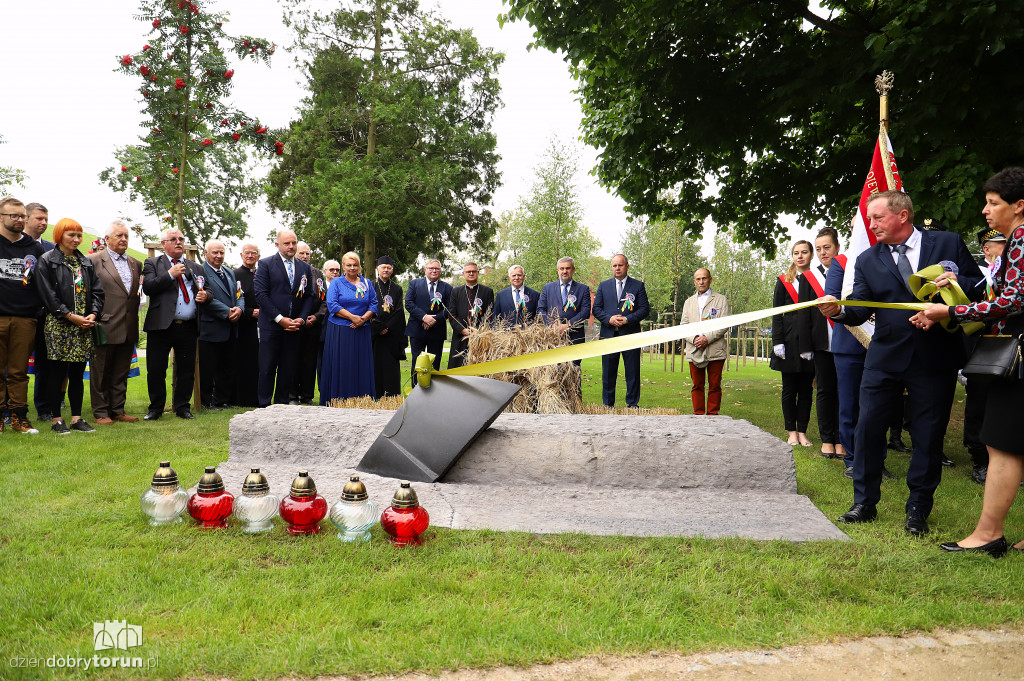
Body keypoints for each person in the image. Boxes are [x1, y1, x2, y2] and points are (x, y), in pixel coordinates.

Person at [819, 189, 983, 535]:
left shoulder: (948, 244)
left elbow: (977, 286)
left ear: (903, 216)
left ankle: (917, 510)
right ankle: (864, 502)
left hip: (934, 356)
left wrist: (953, 287)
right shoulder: (867, 260)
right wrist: (840, 311)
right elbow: (860, 308)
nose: (872, 224)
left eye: (878, 217)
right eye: (870, 218)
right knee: (868, 429)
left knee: (928, 434)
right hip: (885, 357)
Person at [910, 168, 1024, 556]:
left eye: (994, 203)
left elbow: (1013, 301)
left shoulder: (1021, 238)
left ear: (1019, 206)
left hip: (1018, 356)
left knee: (1002, 443)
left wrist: (953, 311)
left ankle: (988, 534)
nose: (985, 211)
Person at [35, 218, 104, 434]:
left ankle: (76, 419)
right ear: (59, 235)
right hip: (59, 324)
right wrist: (69, 315)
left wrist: (93, 313)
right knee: (56, 373)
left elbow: (98, 292)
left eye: (79, 235)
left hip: (83, 325)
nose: (76, 239)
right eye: (71, 235)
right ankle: (56, 419)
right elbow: (48, 295)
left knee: (77, 373)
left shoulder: (86, 262)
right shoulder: (47, 260)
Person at [141, 227, 209, 420]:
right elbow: (148, 288)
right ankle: (156, 408)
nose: (179, 242)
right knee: (156, 369)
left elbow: (208, 290)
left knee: (186, 369)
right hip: (161, 326)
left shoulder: (195, 267)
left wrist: (205, 296)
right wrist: (170, 274)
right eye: (173, 239)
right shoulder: (153, 263)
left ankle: (182, 407)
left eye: (181, 239)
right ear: (164, 244)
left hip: (187, 326)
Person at [960, 227, 1008, 484]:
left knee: (1006, 402)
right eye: (1002, 244)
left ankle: (1006, 457)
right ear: (987, 248)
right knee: (979, 402)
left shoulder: (1013, 272)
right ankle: (980, 459)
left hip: (1009, 346)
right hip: (981, 346)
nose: (1009, 247)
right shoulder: (975, 276)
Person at [88, 220, 142, 424]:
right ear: (107, 238)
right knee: (100, 372)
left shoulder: (136, 263)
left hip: (128, 325)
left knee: (121, 371)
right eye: (119, 235)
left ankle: (118, 409)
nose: (124, 239)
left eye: (126, 235)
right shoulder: (93, 261)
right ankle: (101, 412)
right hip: (104, 324)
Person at [797, 228, 845, 459]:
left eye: (827, 247)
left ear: (837, 247)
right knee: (825, 391)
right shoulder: (809, 278)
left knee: (845, 392)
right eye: (818, 249)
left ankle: (842, 439)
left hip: (848, 340)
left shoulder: (849, 271)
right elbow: (804, 315)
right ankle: (828, 439)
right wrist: (805, 346)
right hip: (823, 343)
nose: (822, 252)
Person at [254, 230, 316, 407]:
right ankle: (264, 405)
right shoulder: (265, 264)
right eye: (287, 243)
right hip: (271, 326)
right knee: (267, 368)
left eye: (294, 243)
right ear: (277, 245)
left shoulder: (304, 268)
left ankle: (281, 404)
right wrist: (280, 319)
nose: (291, 247)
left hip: (294, 327)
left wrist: (301, 319)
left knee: (287, 369)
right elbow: (261, 295)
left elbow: (309, 296)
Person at [0, 197, 46, 434]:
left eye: (22, 216)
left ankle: (19, 418)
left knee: (19, 372)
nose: (19, 220)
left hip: (25, 319)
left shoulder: (34, 248)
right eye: (14, 216)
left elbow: (40, 283)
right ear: (1, 217)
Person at [771, 240, 815, 447]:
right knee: (789, 389)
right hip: (787, 343)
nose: (800, 256)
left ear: (811, 255)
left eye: (804, 252)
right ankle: (791, 432)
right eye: (796, 253)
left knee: (806, 390)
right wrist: (778, 341)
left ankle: (803, 431)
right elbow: (776, 314)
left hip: (811, 343)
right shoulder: (783, 281)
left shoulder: (817, 279)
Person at [593, 254, 650, 408]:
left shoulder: (638, 286)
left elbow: (645, 309)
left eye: (620, 265)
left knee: (632, 372)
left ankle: (632, 405)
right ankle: (608, 405)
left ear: (627, 266)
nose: (617, 268)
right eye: (614, 266)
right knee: (608, 373)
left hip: (630, 335)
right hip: (608, 335)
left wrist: (628, 319)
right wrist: (609, 319)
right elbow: (596, 309)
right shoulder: (603, 286)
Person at [321, 252, 378, 402]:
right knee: (343, 366)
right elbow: (332, 304)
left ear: (359, 266)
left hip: (362, 330)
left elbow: (374, 303)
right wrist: (352, 317)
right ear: (343, 267)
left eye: (355, 265)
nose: (352, 268)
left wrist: (363, 318)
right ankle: (339, 398)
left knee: (361, 367)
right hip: (340, 331)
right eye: (349, 265)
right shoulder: (336, 283)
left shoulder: (367, 283)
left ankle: (362, 399)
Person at [197, 240, 241, 410]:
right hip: (210, 328)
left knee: (226, 366)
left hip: (230, 328)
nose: (219, 256)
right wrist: (227, 311)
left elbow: (239, 294)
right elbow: (205, 298)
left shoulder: (229, 272)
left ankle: (222, 400)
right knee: (208, 368)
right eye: (215, 252)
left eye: (221, 253)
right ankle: (206, 401)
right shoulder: (201, 271)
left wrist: (239, 309)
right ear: (205, 253)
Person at [680, 268, 730, 415]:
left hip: (715, 349)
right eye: (698, 279)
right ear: (694, 282)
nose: (701, 282)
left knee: (714, 385)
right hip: (694, 349)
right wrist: (695, 339)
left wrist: (707, 338)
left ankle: (713, 416)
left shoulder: (721, 300)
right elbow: (684, 326)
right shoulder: (688, 302)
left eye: (704, 278)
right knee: (697, 385)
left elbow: (724, 325)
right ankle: (699, 415)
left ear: (710, 279)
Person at [23, 202, 53, 422]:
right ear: (26, 219)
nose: (43, 223)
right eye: (38, 218)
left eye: (45, 219)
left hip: (46, 315)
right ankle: (11, 409)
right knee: (14, 365)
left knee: (45, 363)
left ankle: (44, 408)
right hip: (20, 313)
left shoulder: (52, 249)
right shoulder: (14, 246)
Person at [536, 256, 591, 368]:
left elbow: (585, 311)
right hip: (552, 338)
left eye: (567, 268)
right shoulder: (548, 288)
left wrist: (568, 325)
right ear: (558, 270)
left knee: (573, 373)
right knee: (553, 373)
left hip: (575, 338)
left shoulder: (583, 289)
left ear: (573, 269)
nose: (564, 271)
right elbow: (540, 310)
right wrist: (552, 325)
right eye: (562, 268)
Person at [404, 259, 451, 384]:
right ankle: (415, 390)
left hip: (437, 331)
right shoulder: (414, 284)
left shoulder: (447, 288)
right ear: (425, 270)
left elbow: (450, 309)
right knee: (417, 362)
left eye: (437, 268)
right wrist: (424, 317)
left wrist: (434, 319)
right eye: (431, 268)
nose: (434, 270)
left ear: (440, 271)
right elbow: (408, 303)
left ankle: (433, 393)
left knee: (435, 363)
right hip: (417, 330)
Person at [290, 242, 324, 405]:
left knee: (309, 362)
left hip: (313, 325)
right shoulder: (290, 271)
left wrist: (317, 316)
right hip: (294, 323)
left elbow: (324, 299)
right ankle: (292, 396)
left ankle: (307, 396)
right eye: (301, 253)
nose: (304, 256)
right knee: (293, 360)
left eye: (307, 254)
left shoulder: (318, 274)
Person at [371, 256, 407, 396]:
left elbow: (399, 311)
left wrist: (387, 327)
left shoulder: (397, 288)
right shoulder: (371, 285)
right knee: (375, 364)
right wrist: (378, 327)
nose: (386, 270)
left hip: (391, 334)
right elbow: (367, 308)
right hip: (374, 333)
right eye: (383, 267)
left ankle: (391, 393)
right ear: (377, 269)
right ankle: (375, 392)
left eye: (389, 268)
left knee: (390, 366)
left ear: (392, 270)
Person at [449, 261, 495, 369]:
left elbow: (490, 314)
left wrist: (479, 332)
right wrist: (463, 330)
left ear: (478, 272)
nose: (471, 273)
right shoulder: (456, 292)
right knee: (458, 369)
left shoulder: (487, 291)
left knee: (480, 369)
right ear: (463, 274)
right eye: (468, 271)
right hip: (460, 337)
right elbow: (452, 314)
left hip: (481, 337)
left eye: (473, 271)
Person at [232, 242, 260, 407]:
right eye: (247, 253)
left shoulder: (262, 274)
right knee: (243, 362)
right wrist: (249, 312)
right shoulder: (234, 274)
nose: (250, 256)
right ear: (241, 255)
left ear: (258, 256)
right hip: (244, 325)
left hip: (263, 325)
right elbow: (235, 297)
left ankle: (257, 398)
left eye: (254, 253)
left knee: (259, 363)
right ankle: (241, 399)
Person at [317, 259, 340, 396]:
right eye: (332, 270)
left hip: (339, 328)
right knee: (321, 361)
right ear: (325, 272)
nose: (335, 272)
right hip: (321, 330)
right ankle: (323, 389)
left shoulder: (343, 286)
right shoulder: (319, 286)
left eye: (337, 270)